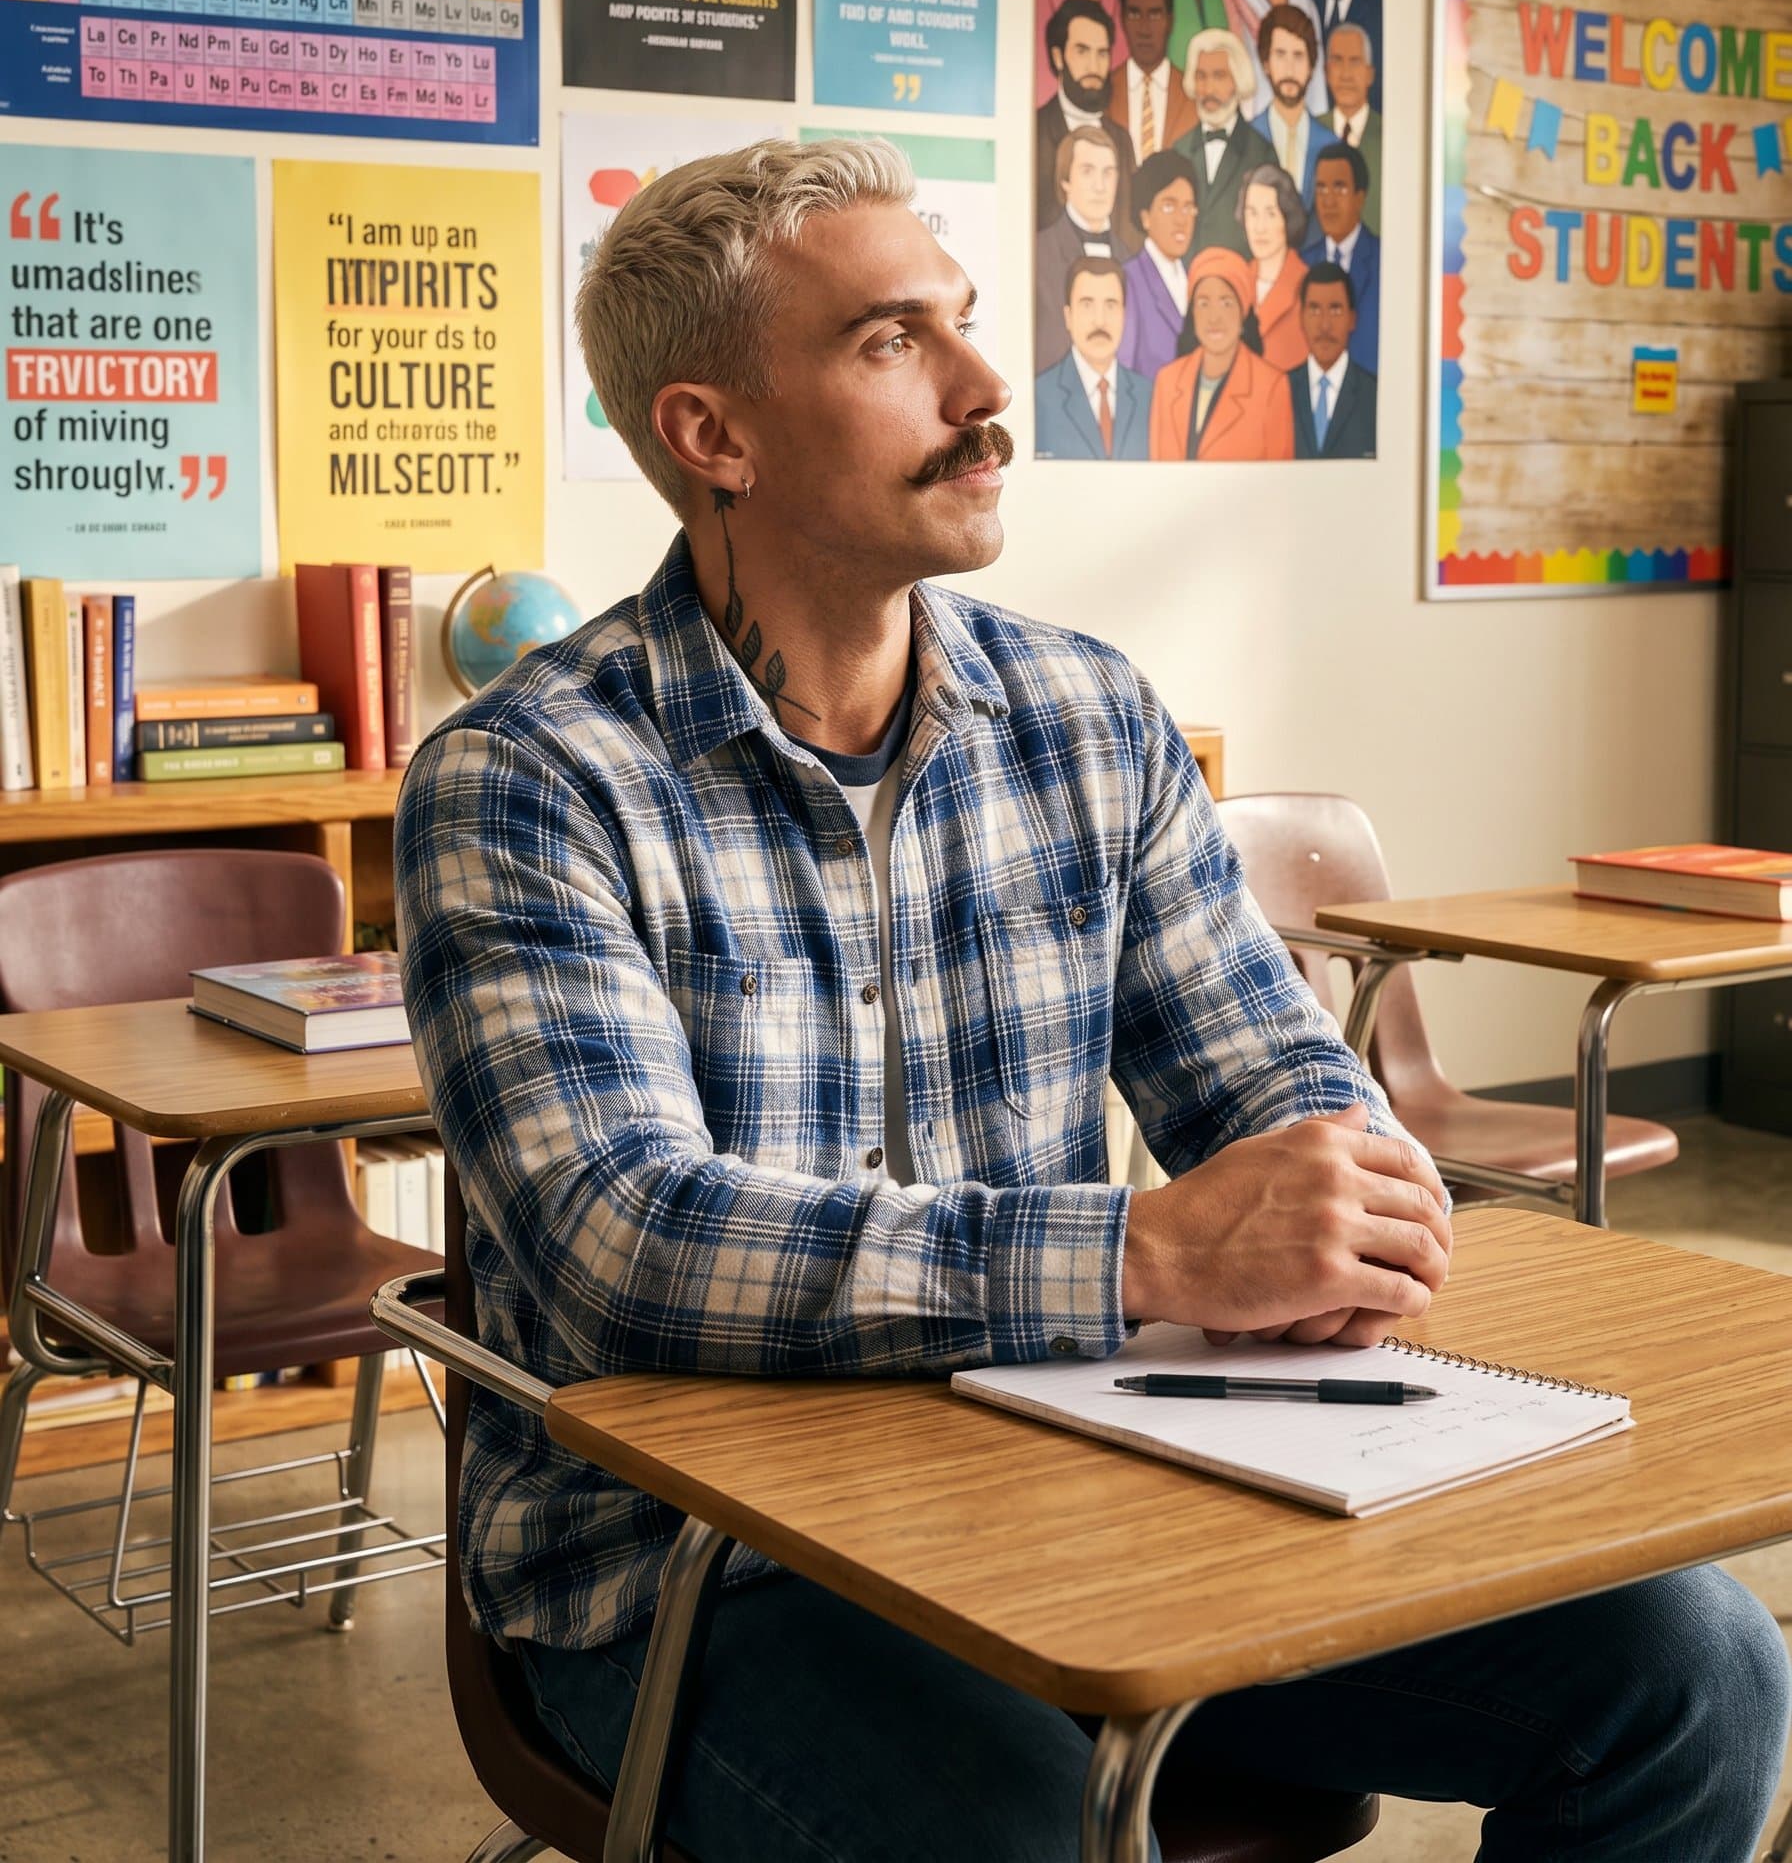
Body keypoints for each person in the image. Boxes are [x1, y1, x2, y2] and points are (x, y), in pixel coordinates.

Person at [397, 134, 1790, 1863]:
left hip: (1092, 1484)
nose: (990, 386)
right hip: (697, 1573)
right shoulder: (527, 782)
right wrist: (1148, 1255)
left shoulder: (1084, 719)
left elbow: (1270, 1077)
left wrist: (1339, 1192)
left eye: (963, 322)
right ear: (712, 436)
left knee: (1696, 1672)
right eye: (891, 342)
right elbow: (632, 1244)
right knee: (1032, 1833)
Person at [1150, 245, 1295, 461]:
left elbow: (1279, 482)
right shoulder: (1167, 382)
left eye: (1226, 303)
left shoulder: (1272, 387)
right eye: (1203, 303)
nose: (1214, 318)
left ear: (1243, 312)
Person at [1168, 26, 1273, 258]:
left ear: (1237, 80)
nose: (1208, 89)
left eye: (1219, 76)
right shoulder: (1178, 150)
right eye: (1201, 76)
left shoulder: (1261, 152)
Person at [1034, 256, 1151, 460]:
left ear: (1124, 315)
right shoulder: (1039, 396)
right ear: (1068, 317)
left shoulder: (1150, 396)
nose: (1100, 320)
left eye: (1111, 305)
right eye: (1087, 304)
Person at [1038, 0, 1134, 236]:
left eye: (1102, 53)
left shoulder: (1121, 140)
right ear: (1058, 57)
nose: (1094, 66)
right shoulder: (1033, 132)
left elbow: (1127, 230)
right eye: (1082, 51)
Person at [1035, 122, 1125, 373]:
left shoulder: (1131, 257)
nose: (1100, 186)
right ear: (1065, 180)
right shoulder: (1038, 255)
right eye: (1088, 171)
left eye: (1108, 173)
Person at [1116, 151, 1200, 386]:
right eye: (1168, 206)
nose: (1181, 219)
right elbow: (1124, 375)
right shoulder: (1128, 281)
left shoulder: (1197, 279)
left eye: (1188, 207)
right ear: (1145, 216)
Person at [1109, 0, 1198, 160]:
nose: (1144, 29)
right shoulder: (1104, 92)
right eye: (1134, 14)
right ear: (1122, 19)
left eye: (1155, 15)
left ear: (1170, 20)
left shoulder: (1193, 94)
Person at [1304, 141, 1381, 369]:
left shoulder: (1384, 263)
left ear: (1360, 196)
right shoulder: (1302, 263)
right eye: (1321, 189)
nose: (1328, 201)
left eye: (1339, 188)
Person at [1289, 258, 1376, 458]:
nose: (1324, 325)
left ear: (1352, 319)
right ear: (1301, 318)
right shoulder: (1281, 391)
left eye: (1335, 309)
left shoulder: (1374, 395)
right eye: (1314, 310)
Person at [1231, 163, 1309, 373]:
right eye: (1252, 213)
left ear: (1288, 218)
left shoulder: (1307, 287)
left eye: (1270, 214)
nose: (1259, 227)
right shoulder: (1235, 283)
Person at [1248, 5, 1323, 205]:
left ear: (1311, 67)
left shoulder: (1330, 144)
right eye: (1280, 55)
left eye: (1298, 56)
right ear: (1265, 64)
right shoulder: (1245, 141)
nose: (1289, 69)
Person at [1323, 21, 1382, 233]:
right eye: (1337, 62)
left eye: (1355, 62)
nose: (1346, 74)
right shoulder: (1311, 131)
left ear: (1370, 74)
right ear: (1327, 72)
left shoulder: (1389, 137)